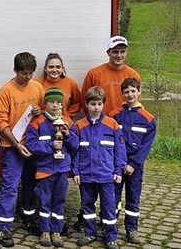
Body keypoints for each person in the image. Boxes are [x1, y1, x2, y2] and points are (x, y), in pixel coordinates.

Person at [0, 52, 45, 247]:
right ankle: (3, 228)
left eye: (31, 73)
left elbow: (42, 111)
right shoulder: (6, 91)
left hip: (33, 145)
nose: (28, 77)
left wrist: (40, 111)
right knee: (10, 186)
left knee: (31, 184)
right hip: (13, 147)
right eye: (24, 73)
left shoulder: (37, 87)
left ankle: (30, 218)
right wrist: (16, 144)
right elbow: (0, 122)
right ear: (15, 70)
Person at [72, 86, 126, 249]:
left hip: (107, 175)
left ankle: (111, 236)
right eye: (93, 103)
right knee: (87, 206)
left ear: (103, 104)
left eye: (99, 104)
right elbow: (75, 151)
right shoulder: (79, 126)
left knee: (109, 206)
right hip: (86, 175)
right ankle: (90, 234)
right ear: (87, 105)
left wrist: (118, 170)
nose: (96, 107)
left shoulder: (112, 124)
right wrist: (76, 171)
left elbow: (120, 150)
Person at [25, 87, 78, 247]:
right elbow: (32, 144)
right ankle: (45, 230)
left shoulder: (67, 122)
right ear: (45, 104)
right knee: (44, 201)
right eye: (52, 102)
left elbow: (76, 145)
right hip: (44, 170)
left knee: (59, 201)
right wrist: (50, 145)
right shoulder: (37, 122)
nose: (55, 105)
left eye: (59, 103)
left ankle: (57, 230)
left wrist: (68, 135)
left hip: (61, 169)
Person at [109, 78, 156, 245]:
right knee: (112, 197)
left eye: (133, 91)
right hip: (117, 164)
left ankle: (131, 229)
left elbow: (146, 146)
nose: (130, 95)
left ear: (139, 92)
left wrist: (134, 164)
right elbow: (111, 141)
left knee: (133, 197)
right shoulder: (115, 115)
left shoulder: (148, 119)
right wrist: (117, 163)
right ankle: (109, 226)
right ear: (122, 94)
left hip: (135, 166)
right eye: (126, 92)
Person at [81, 36, 141, 115]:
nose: (119, 55)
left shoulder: (133, 75)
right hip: (100, 123)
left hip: (123, 122)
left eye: (122, 52)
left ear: (126, 53)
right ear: (108, 53)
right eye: (115, 52)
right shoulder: (94, 74)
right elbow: (84, 99)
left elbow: (136, 101)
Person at [34, 53, 82, 118]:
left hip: (62, 123)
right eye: (51, 67)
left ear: (62, 69)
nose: (54, 70)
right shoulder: (36, 83)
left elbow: (78, 102)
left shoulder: (70, 83)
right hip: (41, 123)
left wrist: (67, 116)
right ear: (45, 69)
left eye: (58, 67)